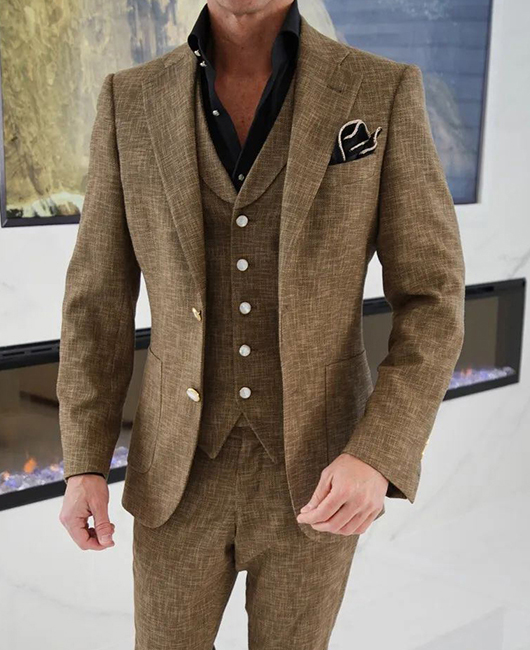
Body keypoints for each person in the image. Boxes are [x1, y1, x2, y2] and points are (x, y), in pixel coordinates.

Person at [57, 1, 466, 648]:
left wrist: (378, 452)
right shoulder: (127, 100)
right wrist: (84, 461)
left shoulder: (380, 90)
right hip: (175, 476)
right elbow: (96, 302)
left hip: (321, 474)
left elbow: (433, 298)